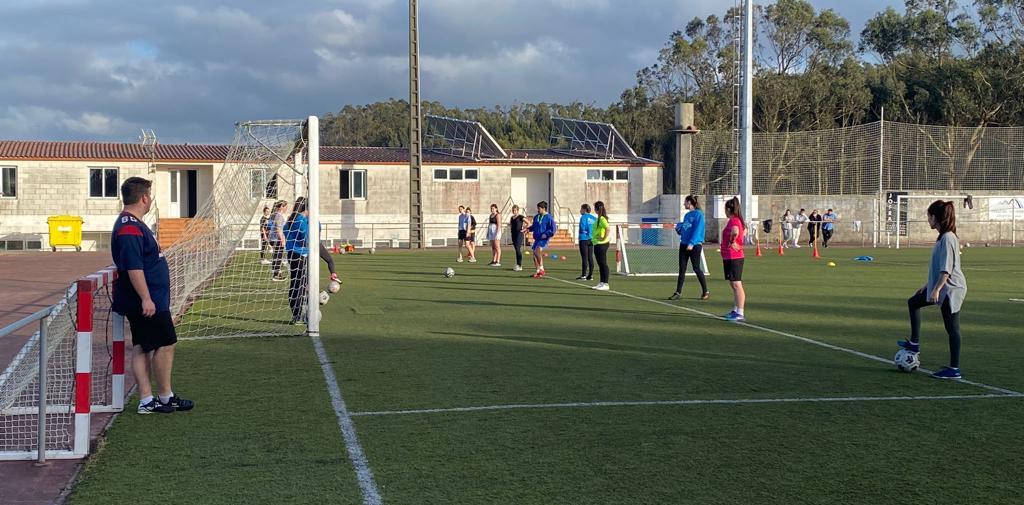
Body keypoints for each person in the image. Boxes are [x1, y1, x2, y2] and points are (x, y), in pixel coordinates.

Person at [110, 177, 194, 414]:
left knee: (143, 346)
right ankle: (161, 397)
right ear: (144, 198)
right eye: (150, 196)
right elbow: (134, 267)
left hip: (150, 299)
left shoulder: (133, 223)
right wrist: (146, 298)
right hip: (146, 301)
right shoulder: (129, 227)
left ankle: (151, 399)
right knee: (166, 343)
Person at [897, 200, 967, 379]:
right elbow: (939, 268)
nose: (927, 220)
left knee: (952, 328)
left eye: (929, 216)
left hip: (951, 289)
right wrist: (928, 286)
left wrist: (936, 290)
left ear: (935, 217)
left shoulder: (949, 237)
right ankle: (914, 343)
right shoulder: (942, 237)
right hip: (941, 286)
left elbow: (946, 269)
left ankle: (954, 369)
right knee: (913, 302)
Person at [669, 195, 709, 300]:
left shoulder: (699, 215)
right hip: (683, 244)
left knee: (696, 268)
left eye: (685, 202)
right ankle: (678, 292)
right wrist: (679, 229)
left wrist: (692, 243)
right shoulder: (687, 215)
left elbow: (698, 230)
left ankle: (705, 291)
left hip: (694, 246)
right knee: (682, 269)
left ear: (690, 202)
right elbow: (685, 229)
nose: (684, 204)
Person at [284, 197, 310, 324]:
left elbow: (285, 231)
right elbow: (307, 237)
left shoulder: (291, 219)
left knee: (295, 283)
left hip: (291, 253)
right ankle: (299, 314)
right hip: (301, 255)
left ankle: (297, 314)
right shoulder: (301, 220)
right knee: (300, 284)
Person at [721, 196, 746, 322]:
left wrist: (733, 241)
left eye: (725, 209)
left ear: (729, 209)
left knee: (736, 284)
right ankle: (735, 309)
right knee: (733, 283)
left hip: (734, 257)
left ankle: (740, 312)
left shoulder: (734, 221)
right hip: (728, 256)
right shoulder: (734, 220)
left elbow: (735, 231)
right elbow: (744, 231)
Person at [528, 201, 556, 278]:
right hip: (537, 238)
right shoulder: (536, 217)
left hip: (543, 238)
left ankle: (542, 268)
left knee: (537, 251)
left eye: (539, 208)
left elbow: (553, 229)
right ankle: (538, 272)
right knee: (534, 255)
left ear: (544, 209)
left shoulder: (549, 217)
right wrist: (527, 229)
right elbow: (534, 226)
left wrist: (546, 234)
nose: (538, 210)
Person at [592, 201, 611, 291]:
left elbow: (608, 228)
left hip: (602, 244)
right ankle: (601, 282)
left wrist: (603, 238)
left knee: (603, 263)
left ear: (596, 209)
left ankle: (606, 283)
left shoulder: (602, 219)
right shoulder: (598, 218)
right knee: (600, 264)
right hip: (596, 243)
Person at [576, 204, 596, 281]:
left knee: (584, 258)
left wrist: (585, 232)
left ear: (584, 209)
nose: (580, 210)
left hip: (584, 239)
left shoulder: (583, 217)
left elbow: (582, 227)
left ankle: (583, 275)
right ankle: (590, 275)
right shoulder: (593, 218)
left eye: (581, 209)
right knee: (590, 257)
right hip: (591, 239)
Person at [270, 200, 288, 281]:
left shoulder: (275, 215)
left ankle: (277, 273)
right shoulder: (279, 216)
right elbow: (279, 229)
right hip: (277, 239)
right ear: (281, 207)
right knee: (278, 256)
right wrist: (282, 240)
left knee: (276, 256)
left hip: (274, 238)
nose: (286, 208)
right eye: (285, 206)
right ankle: (276, 275)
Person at [508, 205, 527, 272]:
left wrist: (524, 229)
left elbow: (529, 223)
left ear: (518, 210)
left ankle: (520, 265)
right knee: (516, 249)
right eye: (513, 210)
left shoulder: (521, 217)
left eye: (515, 210)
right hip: (513, 234)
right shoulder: (512, 218)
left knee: (518, 248)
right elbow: (511, 225)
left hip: (519, 234)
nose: (514, 211)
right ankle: (517, 264)